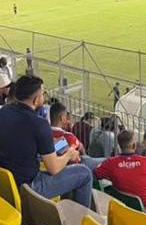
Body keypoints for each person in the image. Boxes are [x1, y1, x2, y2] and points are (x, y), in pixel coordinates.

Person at [0, 76, 92, 206]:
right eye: (42, 94)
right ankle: (81, 220)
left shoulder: (4, 111)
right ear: (36, 100)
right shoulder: (39, 124)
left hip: (8, 181)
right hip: (29, 186)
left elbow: (21, 141)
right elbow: (53, 168)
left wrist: (51, 142)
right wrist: (70, 154)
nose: (44, 97)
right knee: (85, 173)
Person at [94, 129, 146, 213]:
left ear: (119, 145)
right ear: (134, 146)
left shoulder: (110, 163)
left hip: (123, 207)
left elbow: (95, 175)